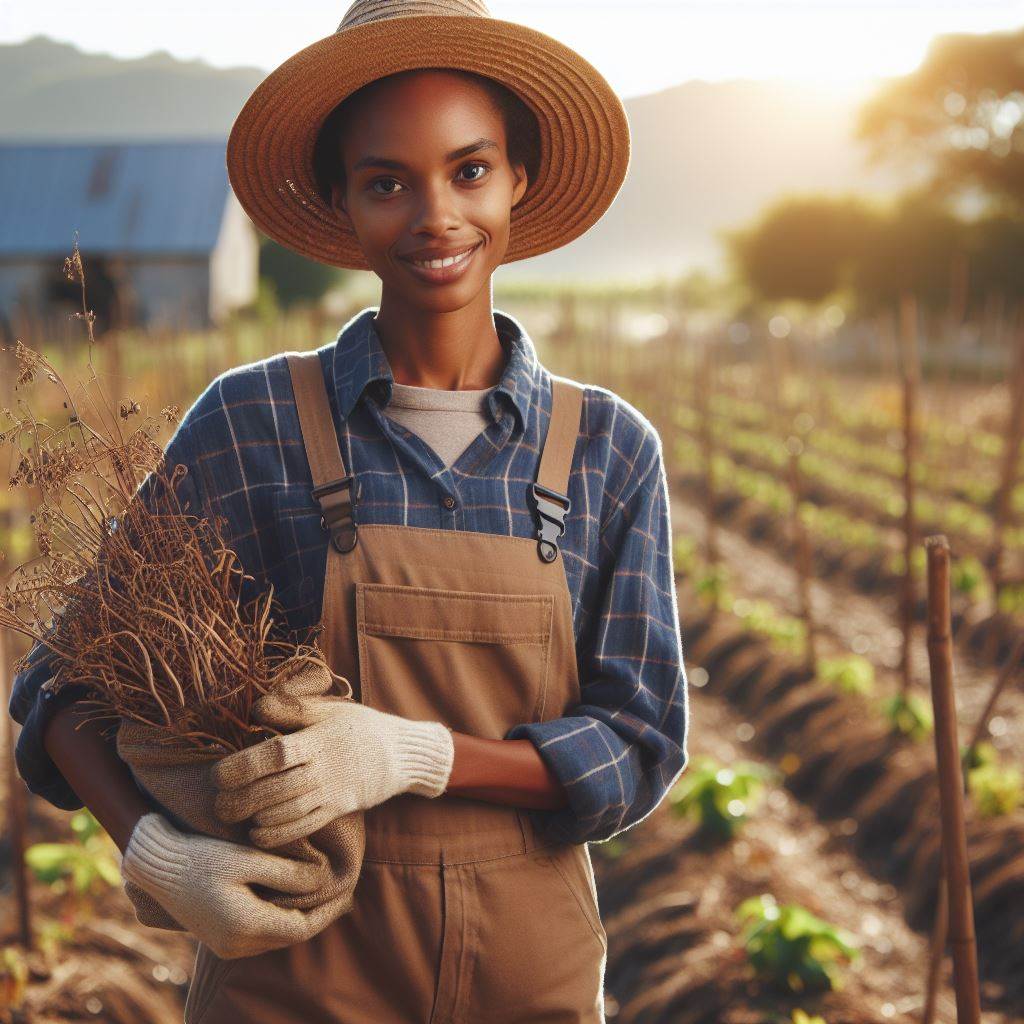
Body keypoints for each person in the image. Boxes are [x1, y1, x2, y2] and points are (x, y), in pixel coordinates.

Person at [7, 1, 690, 1020]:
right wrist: (159, 853)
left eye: (468, 170)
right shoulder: (254, 422)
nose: (434, 216)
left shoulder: (606, 449)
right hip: (295, 969)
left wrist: (410, 753)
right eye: (386, 182)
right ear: (341, 204)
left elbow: (636, 745)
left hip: (524, 978)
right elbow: (60, 685)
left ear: (518, 182)